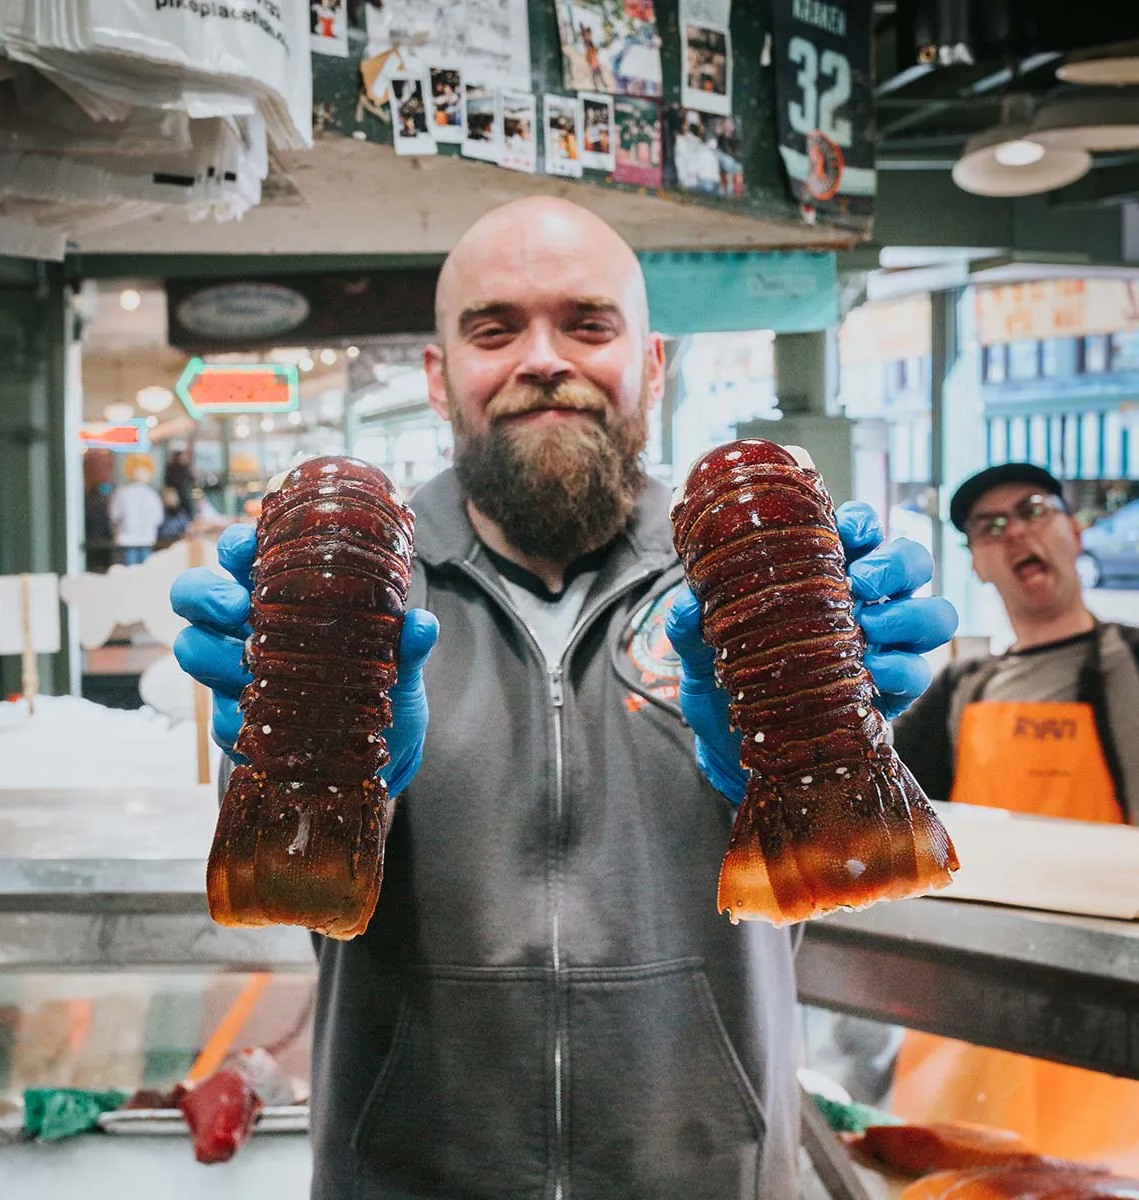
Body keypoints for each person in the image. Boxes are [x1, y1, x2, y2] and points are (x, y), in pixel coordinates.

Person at [170, 196, 956, 1200]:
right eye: (494, 329)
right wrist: (278, 761)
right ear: (437, 375)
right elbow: (302, 901)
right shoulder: (368, 586)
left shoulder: (742, 572)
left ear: (655, 365)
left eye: (588, 324)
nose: (544, 359)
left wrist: (835, 729)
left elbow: (819, 887)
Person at [890, 461, 1139, 1170]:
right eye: (989, 527)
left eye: (1032, 509)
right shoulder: (958, 691)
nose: (1015, 531)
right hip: (974, 1000)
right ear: (978, 560)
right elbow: (890, 826)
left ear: (1071, 527)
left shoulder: (1134, 664)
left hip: (1109, 1003)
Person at [109, 454, 165, 566]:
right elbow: (158, 518)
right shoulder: (152, 494)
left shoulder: (122, 493)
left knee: (130, 572)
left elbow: (114, 515)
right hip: (146, 538)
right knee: (145, 571)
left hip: (127, 538)